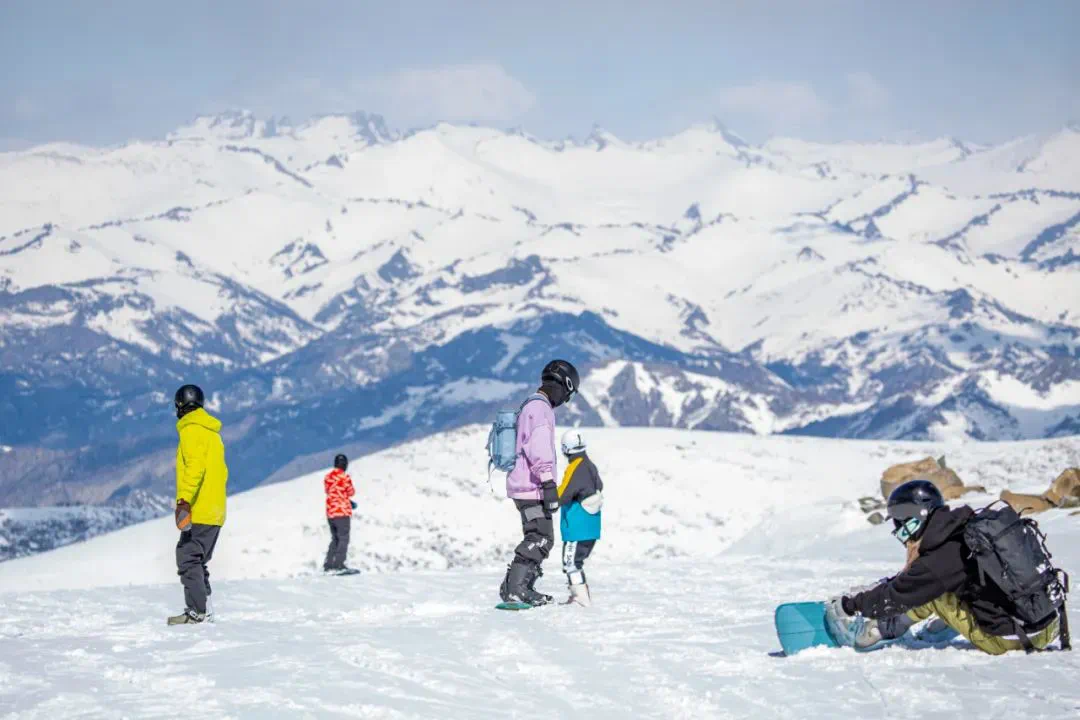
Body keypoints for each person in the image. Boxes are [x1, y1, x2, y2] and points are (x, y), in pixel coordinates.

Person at [825, 479, 1064, 654]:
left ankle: (878, 630)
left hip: (1013, 640)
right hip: (1047, 623)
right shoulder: (967, 528)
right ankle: (946, 625)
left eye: (900, 519)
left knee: (932, 594)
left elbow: (898, 594)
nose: (898, 529)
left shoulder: (940, 557)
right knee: (941, 584)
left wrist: (850, 605)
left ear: (917, 515)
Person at [499, 359, 580, 606]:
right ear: (564, 385)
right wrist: (548, 484)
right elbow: (539, 448)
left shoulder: (531, 405)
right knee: (540, 537)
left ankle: (519, 587)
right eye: (569, 393)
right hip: (532, 488)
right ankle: (516, 589)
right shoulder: (540, 409)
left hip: (525, 486)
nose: (566, 400)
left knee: (538, 535)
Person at [168, 384, 228, 626]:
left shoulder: (191, 430)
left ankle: (197, 613)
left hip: (200, 508)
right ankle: (206, 610)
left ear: (179, 406)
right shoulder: (212, 433)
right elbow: (221, 472)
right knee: (197, 559)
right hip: (215, 509)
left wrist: (184, 500)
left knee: (188, 557)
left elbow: (195, 469)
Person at [557, 429, 604, 607]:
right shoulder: (590, 465)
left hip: (577, 527)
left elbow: (562, 494)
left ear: (565, 448)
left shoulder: (575, 467)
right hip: (591, 526)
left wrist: (545, 495)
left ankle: (580, 599)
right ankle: (580, 596)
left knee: (571, 563)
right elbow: (599, 485)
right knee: (576, 562)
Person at [324, 453, 357, 574]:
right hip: (342, 512)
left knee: (335, 539)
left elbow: (329, 491)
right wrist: (347, 501)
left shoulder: (327, 477)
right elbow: (351, 491)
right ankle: (339, 565)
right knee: (344, 538)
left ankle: (328, 565)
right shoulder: (345, 477)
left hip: (330, 512)